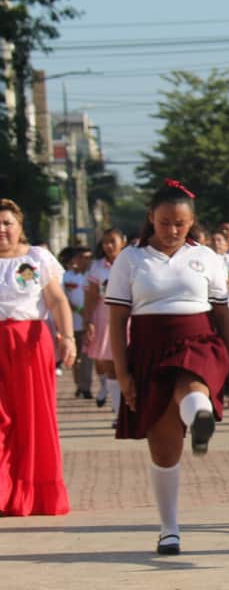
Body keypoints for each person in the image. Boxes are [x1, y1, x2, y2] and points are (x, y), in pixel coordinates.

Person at [105, 181, 229, 554]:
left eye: (180, 223)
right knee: (164, 450)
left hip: (198, 339)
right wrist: (123, 373)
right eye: (165, 223)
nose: (172, 230)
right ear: (152, 219)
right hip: (148, 348)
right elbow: (117, 321)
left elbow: (222, 312)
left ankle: (200, 418)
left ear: (191, 221)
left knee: (192, 381)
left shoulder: (207, 257)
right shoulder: (130, 259)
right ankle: (169, 528)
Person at [0, 199, 73, 517]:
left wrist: (67, 336)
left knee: (33, 418)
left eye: (7, 223)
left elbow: (56, 300)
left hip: (30, 342)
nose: (1, 230)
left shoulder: (36, 257)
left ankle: (32, 494)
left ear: (19, 225)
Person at [83, 228, 127, 416]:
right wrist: (88, 321)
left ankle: (132, 408)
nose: (109, 246)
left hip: (129, 318)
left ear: (122, 242)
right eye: (105, 242)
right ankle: (118, 413)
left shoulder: (131, 262)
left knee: (130, 366)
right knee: (110, 366)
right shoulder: (97, 267)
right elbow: (91, 297)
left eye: (113, 241)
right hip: (104, 319)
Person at [61, 246, 94, 400]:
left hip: (89, 323)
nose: (85, 261)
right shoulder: (66, 277)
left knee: (87, 356)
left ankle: (85, 387)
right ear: (75, 259)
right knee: (75, 357)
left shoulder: (92, 276)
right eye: (82, 257)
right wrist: (78, 309)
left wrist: (87, 313)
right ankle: (78, 385)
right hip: (72, 323)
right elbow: (61, 299)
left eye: (88, 258)